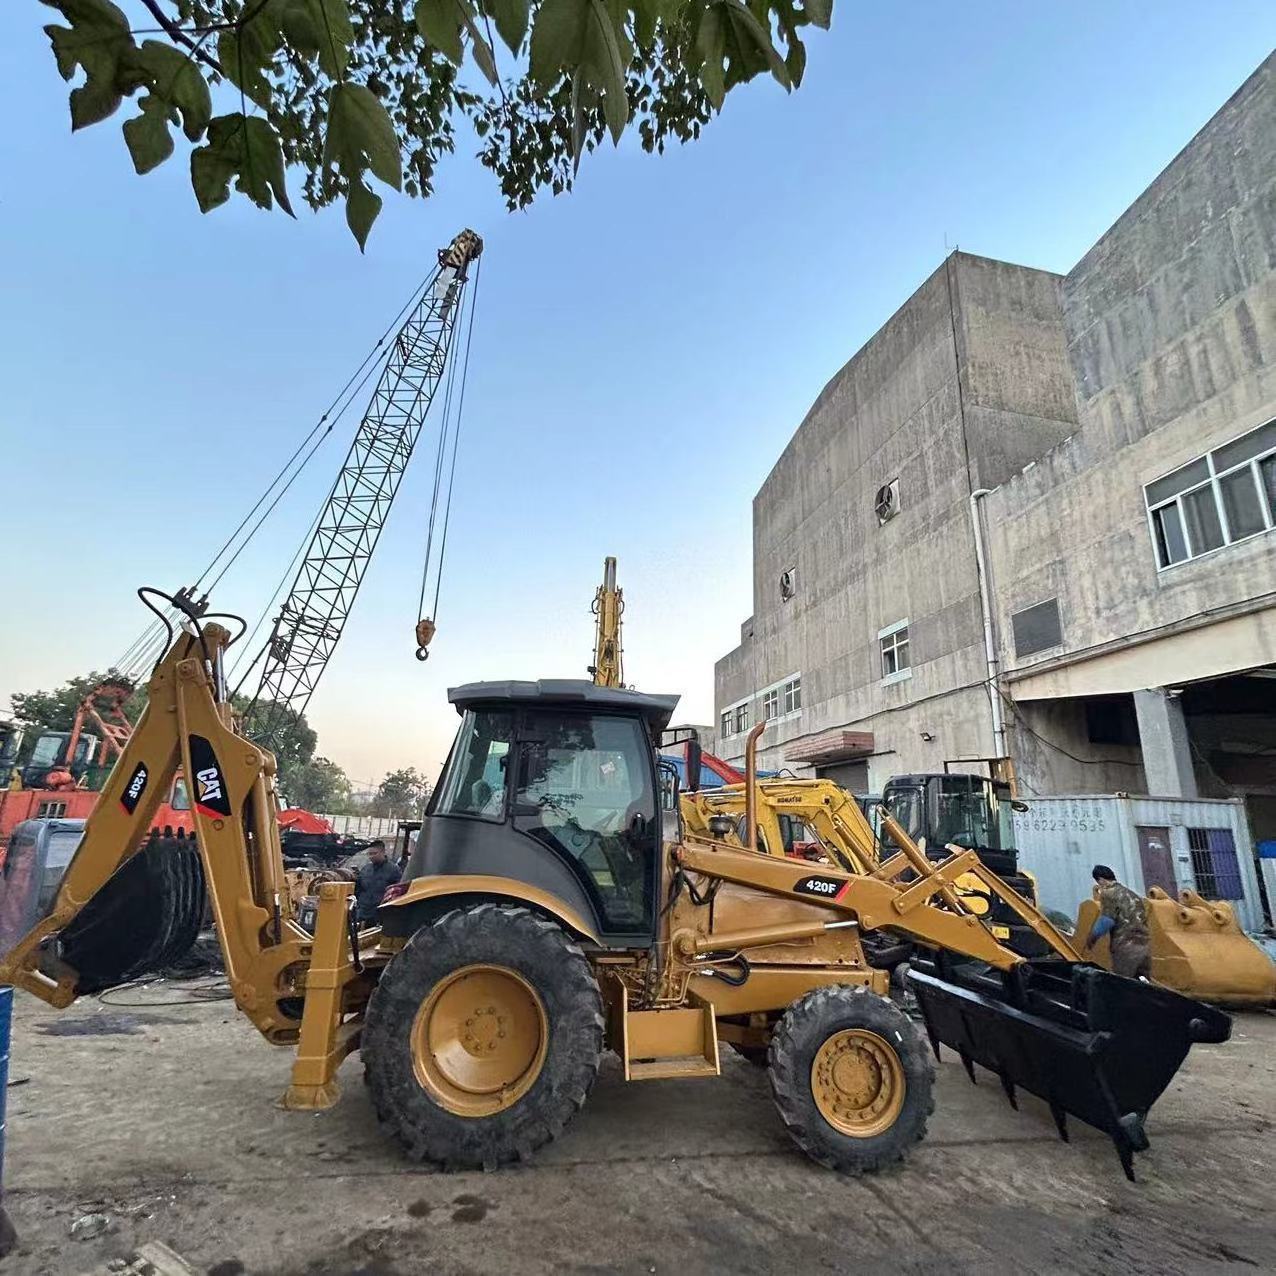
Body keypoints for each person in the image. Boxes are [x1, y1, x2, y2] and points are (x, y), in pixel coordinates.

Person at [1084, 864, 1150, 979]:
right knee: (1143, 984)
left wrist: (1092, 937)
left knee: (1123, 985)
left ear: (1101, 880)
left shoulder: (1109, 893)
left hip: (1125, 948)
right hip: (1144, 947)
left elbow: (1107, 920)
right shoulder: (1133, 895)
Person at [354, 840, 401, 923]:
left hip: (380, 914)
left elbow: (397, 892)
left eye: (374, 853)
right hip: (362, 912)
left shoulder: (393, 870)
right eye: (369, 854)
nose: (371, 856)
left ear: (383, 852)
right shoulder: (366, 869)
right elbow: (358, 889)